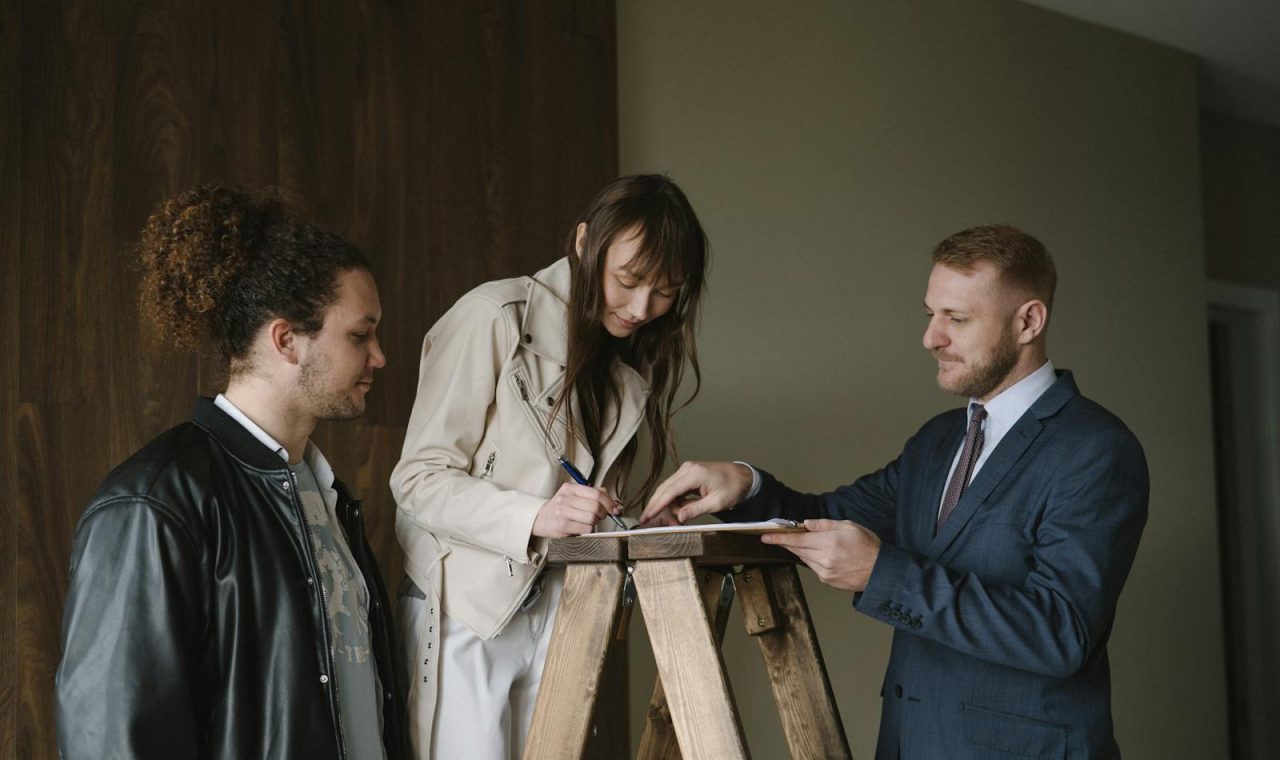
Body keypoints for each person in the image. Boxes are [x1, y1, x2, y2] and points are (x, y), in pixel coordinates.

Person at [641, 224, 1148, 760]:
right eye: (930, 314)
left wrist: (881, 574)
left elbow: (1061, 632)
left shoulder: (1097, 448)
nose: (932, 337)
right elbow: (826, 517)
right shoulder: (935, 442)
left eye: (957, 318)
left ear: (1029, 321)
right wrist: (747, 483)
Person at [55, 185, 410, 760]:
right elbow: (113, 739)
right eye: (359, 335)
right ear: (286, 340)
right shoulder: (152, 503)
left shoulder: (326, 496)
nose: (379, 357)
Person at [390, 174, 709, 758]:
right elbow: (416, 480)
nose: (643, 308)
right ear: (586, 243)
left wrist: (630, 531)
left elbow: (575, 500)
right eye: (629, 281)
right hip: (466, 607)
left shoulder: (622, 373)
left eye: (666, 291)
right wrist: (536, 515)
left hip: (561, 615)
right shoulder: (493, 316)